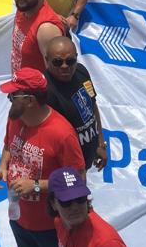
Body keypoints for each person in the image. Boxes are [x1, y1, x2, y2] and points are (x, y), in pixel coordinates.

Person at [0, 68, 84, 247]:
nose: (9, 99)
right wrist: (3, 165)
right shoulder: (16, 118)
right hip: (18, 216)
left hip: (48, 225)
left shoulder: (61, 134)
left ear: (30, 100)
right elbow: (9, 146)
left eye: (13, 95)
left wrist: (35, 186)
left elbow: (77, 179)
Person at [43, 37, 106, 171]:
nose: (65, 66)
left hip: (85, 160)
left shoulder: (81, 71)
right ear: (47, 60)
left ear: (76, 57)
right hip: (64, 166)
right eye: (57, 62)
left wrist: (100, 143)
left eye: (70, 61)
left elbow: (92, 105)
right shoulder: (44, 90)